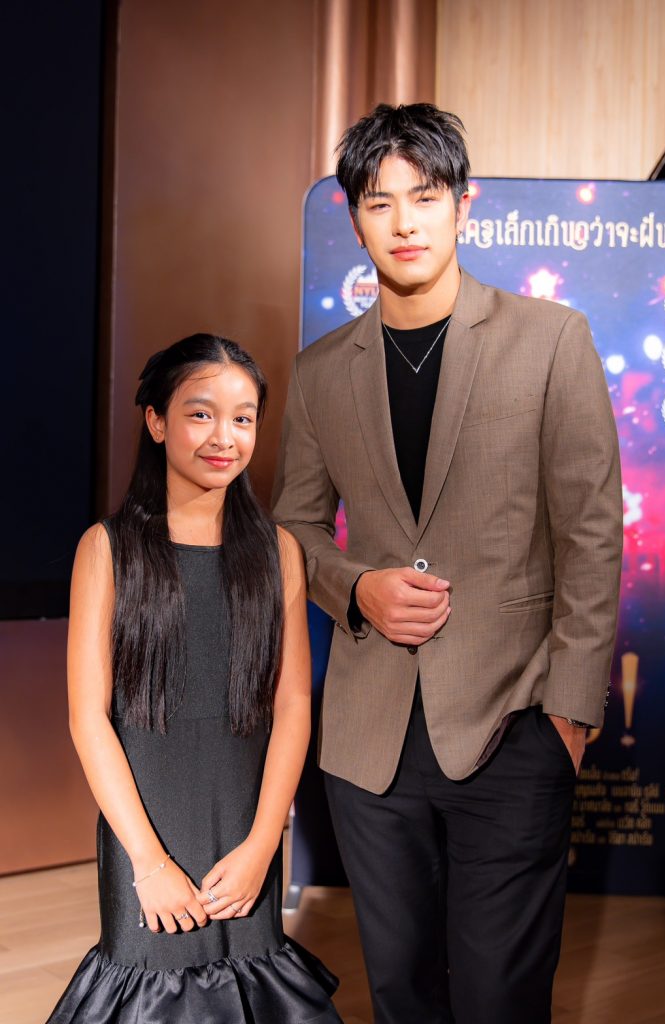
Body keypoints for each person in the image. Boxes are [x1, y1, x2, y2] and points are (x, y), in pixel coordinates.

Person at [272, 104, 623, 1024]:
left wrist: (568, 716)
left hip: (514, 723)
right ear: (354, 219)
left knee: (501, 997)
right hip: (368, 741)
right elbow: (293, 527)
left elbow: (591, 535)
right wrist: (356, 587)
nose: (404, 222)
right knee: (400, 994)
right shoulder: (319, 371)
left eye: (424, 197)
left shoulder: (551, 339)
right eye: (379, 202)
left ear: (463, 206)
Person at [48, 335, 342, 1023]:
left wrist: (263, 845)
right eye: (201, 414)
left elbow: (292, 705)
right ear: (156, 421)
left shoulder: (278, 551)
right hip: (145, 826)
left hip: (246, 827)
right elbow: (88, 719)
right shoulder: (107, 548)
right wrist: (148, 862)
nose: (224, 437)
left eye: (243, 418)